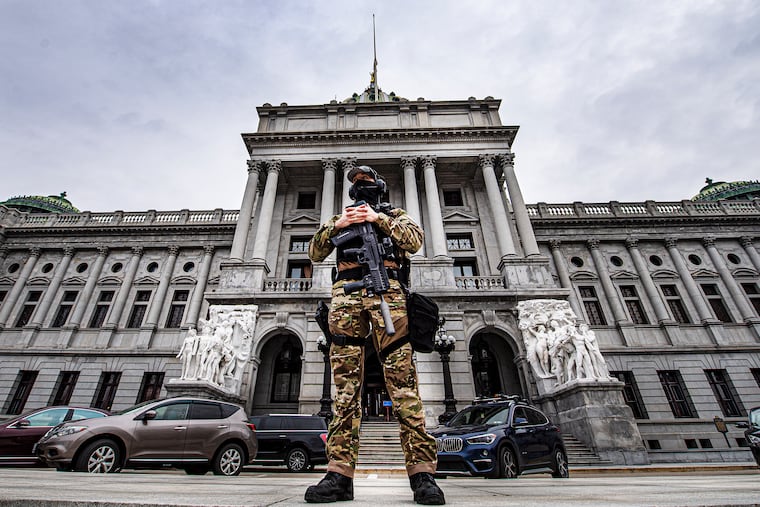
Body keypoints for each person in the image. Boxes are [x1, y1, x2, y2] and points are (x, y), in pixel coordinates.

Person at [305, 165, 444, 505]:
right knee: (345, 392)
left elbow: (414, 241)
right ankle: (338, 474)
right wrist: (338, 225)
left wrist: (378, 219)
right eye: (356, 184)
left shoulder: (395, 214)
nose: (361, 187)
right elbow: (314, 252)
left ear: (379, 187)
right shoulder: (340, 218)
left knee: (403, 386)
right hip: (345, 300)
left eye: (366, 182)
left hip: (389, 298)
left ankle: (422, 474)